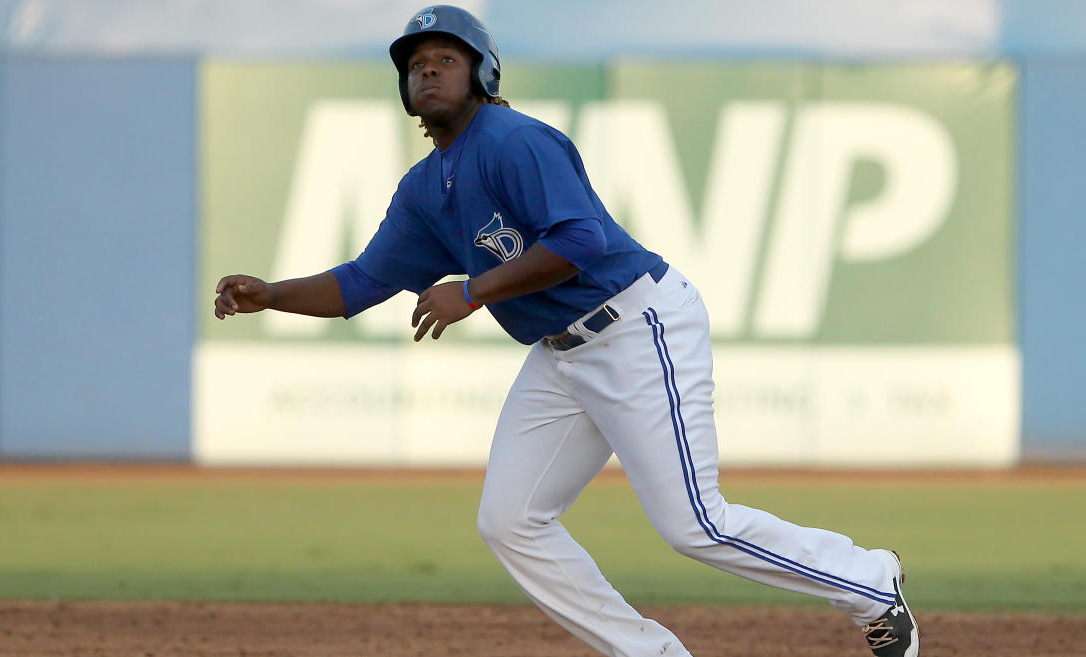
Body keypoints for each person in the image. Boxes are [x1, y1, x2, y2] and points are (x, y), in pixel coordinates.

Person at [212, 5, 920, 657]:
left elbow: (579, 238)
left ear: (484, 73)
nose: (426, 68)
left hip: (637, 324)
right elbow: (359, 284)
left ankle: (868, 582)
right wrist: (270, 294)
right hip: (561, 354)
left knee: (693, 523)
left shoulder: (514, 140)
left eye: (444, 57)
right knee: (510, 519)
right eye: (415, 62)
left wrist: (474, 289)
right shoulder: (425, 188)